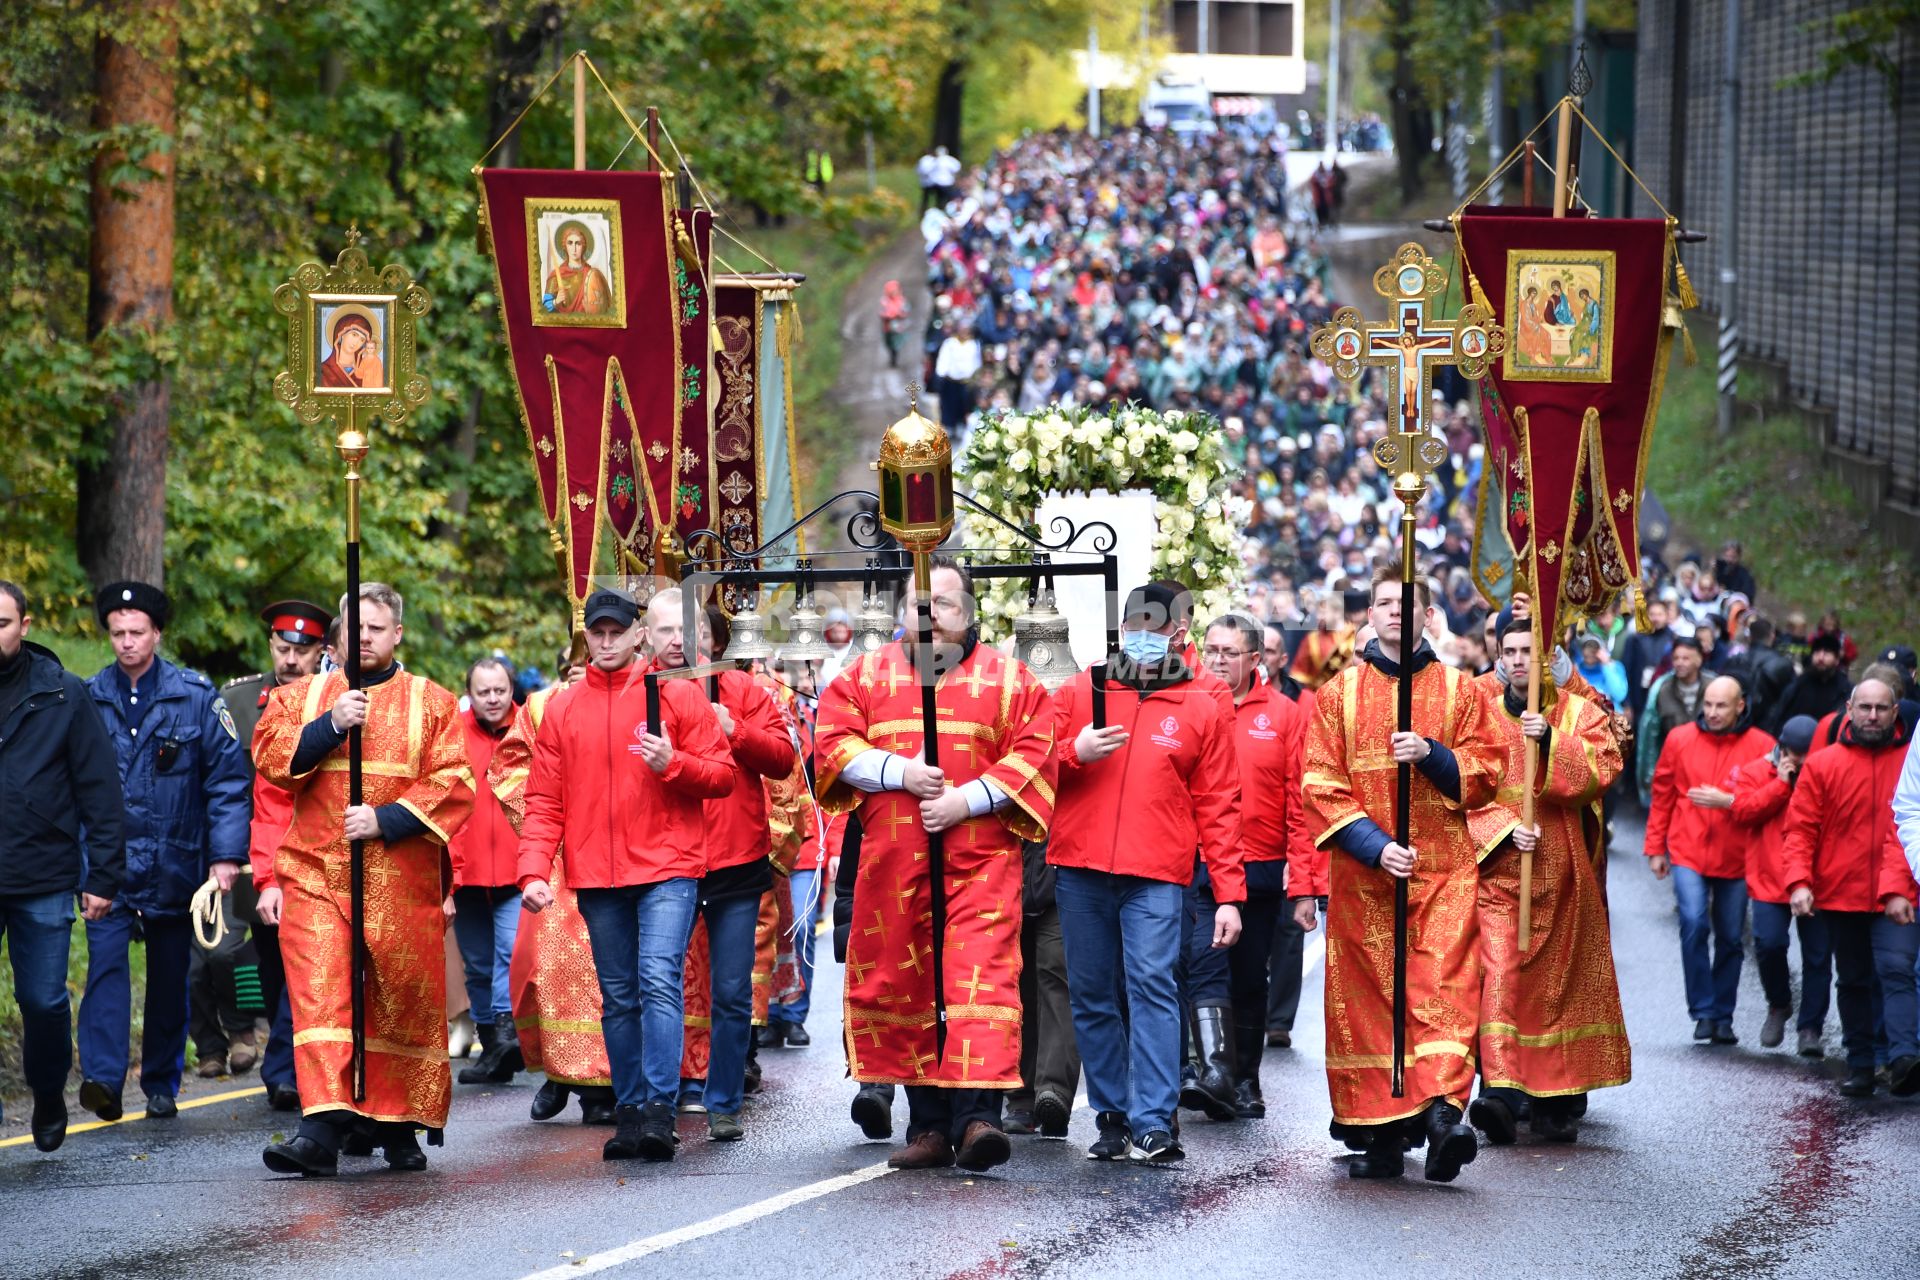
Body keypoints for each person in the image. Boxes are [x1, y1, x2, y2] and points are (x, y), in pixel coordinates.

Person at [815, 555, 1058, 1172]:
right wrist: (899, 772)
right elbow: (832, 742)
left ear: (969, 611)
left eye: (943, 605)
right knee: (909, 980)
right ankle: (925, 1127)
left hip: (981, 865)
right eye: (918, 606)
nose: (929, 618)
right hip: (895, 869)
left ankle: (978, 1119)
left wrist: (963, 801)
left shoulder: (1009, 680)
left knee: (978, 982)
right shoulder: (866, 675)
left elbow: (1035, 752)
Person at [255, 583, 474, 1176]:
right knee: (322, 990)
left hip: (398, 879)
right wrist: (329, 725)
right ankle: (320, 1130)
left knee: (394, 999)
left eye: (377, 629)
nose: (366, 639)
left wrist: (384, 820)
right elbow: (272, 760)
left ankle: (395, 1122)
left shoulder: (431, 702)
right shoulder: (302, 696)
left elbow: (455, 783)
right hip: (316, 874)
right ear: (339, 637)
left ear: (397, 633)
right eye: (357, 629)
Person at [1298, 563, 1505, 1182]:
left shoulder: (1462, 690)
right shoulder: (1340, 693)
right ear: (1370, 614)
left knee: (1443, 988)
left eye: (1406, 604)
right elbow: (1320, 783)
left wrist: (1435, 756)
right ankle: (1380, 1137)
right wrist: (1374, 844)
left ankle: (1444, 1117)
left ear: (1426, 616)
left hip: (1443, 872)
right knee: (1371, 1002)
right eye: (1385, 603)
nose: (1395, 612)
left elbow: (1489, 769)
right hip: (1367, 878)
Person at [515, 588, 734, 1161]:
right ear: (586, 636)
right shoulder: (563, 708)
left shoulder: (677, 695)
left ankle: (659, 1109)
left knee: (657, 979)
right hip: (596, 873)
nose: (607, 641)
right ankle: (630, 1108)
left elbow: (722, 775)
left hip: (667, 867)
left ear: (638, 635)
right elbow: (543, 800)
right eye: (598, 632)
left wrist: (674, 764)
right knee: (617, 995)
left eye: (618, 631)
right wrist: (533, 870)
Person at [1046, 582, 1241, 1164]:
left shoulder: (1202, 705)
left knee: (1153, 986)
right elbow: (1030, 763)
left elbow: (1220, 802)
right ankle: (1111, 1113)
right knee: (1091, 993)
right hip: (1081, 867)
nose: (1146, 639)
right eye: (1137, 626)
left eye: (1159, 631)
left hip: (1157, 871)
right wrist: (1074, 750)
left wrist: (1228, 895)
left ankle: (1152, 1120)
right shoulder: (1083, 690)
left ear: (1182, 636)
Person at [77, 582, 250, 1123]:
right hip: (108, 860)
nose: (126, 643)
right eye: (117, 633)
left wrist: (225, 856)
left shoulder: (195, 696)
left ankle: (159, 1083)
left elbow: (226, 781)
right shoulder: (88, 698)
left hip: (176, 859)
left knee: (170, 977)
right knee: (105, 969)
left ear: (156, 633)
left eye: (136, 632)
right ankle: (103, 1080)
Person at [1466, 619, 1630, 1145]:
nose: (1518, 661)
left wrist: (1553, 740)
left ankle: (1556, 1099)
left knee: (1555, 988)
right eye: (1509, 651)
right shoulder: (1480, 714)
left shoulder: (1579, 712)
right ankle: (1500, 1090)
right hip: (1496, 870)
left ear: (1543, 659)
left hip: (1560, 872)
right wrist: (1502, 829)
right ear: (1498, 657)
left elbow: (1603, 771)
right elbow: (1461, 782)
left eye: (1527, 652)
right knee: (1499, 973)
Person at [645, 588, 797, 1139]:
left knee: (732, 990)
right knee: (663, 983)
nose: (681, 641)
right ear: (650, 636)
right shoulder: (641, 693)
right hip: (664, 863)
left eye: (694, 632)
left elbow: (782, 760)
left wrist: (737, 731)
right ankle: (666, 1091)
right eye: (667, 630)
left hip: (735, 860)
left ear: (713, 639)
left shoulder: (744, 689)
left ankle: (724, 1098)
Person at [0, 581, 126, 1151]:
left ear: (24, 625)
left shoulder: (64, 694)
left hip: (42, 873)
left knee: (44, 999)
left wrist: (102, 875)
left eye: (2, 622)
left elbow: (99, 790)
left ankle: (48, 1091)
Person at [490, 654, 619, 1126]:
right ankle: (559, 1072)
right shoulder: (542, 707)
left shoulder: (625, 701)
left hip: (612, 856)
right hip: (559, 862)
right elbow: (509, 769)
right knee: (545, 968)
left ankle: (599, 1086)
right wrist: (553, 824)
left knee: (604, 973)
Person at [1781, 678, 1919, 1098]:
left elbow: (1905, 827)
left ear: (1895, 713)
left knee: (1897, 968)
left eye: (1881, 708)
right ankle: (1861, 1062)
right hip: (1840, 893)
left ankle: (1902, 1057)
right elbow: (1800, 829)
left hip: (1896, 890)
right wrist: (1799, 882)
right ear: (1849, 709)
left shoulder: (1908, 762)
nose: (1872, 716)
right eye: (1865, 708)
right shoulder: (1823, 765)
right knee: (1855, 978)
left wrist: (1897, 887)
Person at [1199, 613, 1313, 1119]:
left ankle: (1245, 1080)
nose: (1219, 660)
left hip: (1260, 869)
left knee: (1248, 978)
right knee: (1200, 971)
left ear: (1254, 659)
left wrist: (1304, 880)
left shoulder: (1285, 715)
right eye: (1212, 650)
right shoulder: (1193, 706)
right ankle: (1210, 1073)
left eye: (1230, 652)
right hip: (1196, 866)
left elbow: (1300, 803)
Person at [223, 599, 332, 1111]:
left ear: (321, 652)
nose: (291, 659)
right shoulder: (243, 701)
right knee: (267, 967)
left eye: (302, 650)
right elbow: (235, 787)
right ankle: (283, 1056)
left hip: (317, 856)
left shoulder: (334, 701)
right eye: (283, 648)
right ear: (271, 645)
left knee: (302, 969)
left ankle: (285, 1067)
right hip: (255, 852)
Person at [1644, 675, 1775, 1044]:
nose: (1713, 713)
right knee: (1694, 922)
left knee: (1732, 938)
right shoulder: (1681, 738)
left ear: (1740, 706)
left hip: (1737, 855)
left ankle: (1723, 1014)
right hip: (1688, 848)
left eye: (1722, 706)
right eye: (1708, 704)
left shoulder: (1763, 745)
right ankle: (1702, 1010)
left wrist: (1729, 802)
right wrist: (1655, 847)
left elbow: (1772, 798)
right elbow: (1664, 791)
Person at [1731, 715, 1831, 1057]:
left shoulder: (1826, 771)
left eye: (1808, 752)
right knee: (1769, 945)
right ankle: (1779, 1004)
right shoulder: (1756, 771)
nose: (1802, 760)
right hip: (1769, 877)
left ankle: (1810, 1029)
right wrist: (1780, 785)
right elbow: (1742, 812)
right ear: (1782, 747)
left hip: (1816, 879)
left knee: (1818, 957)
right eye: (1795, 752)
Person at [450, 656, 528, 1086]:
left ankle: (505, 1033)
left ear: (510, 689)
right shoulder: (453, 732)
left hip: (518, 867)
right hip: (468, 869)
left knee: (508, 954)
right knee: (477, 965)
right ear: (471, 694)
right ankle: (492, 1045)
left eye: (500, 690)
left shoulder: (529, 725)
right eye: (485, 692)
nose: (494, 699)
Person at [1636, 635, 1705, 805]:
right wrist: (1649, 775)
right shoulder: (1662, 688)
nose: (1680, 662)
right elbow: (1649, 737)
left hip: (1706, 768)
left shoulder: (1714, 687)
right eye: (1676, 658)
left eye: (1686, 658)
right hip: (1673, 768)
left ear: (1699, 659)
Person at [1767, 632, 1853, 734]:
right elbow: (1780, 716)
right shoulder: (1798, 685)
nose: (1820, 658)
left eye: (1827, 653)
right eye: (1817, 652)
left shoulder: (1845, 689)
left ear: (1837, 660)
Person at [542, 222, 611, 315]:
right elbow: (544, 308)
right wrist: (556, 301)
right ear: (565, 246)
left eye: (578, 243)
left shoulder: (592, 275)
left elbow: (603, 305)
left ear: (583, 247)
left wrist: (592, 308)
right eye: (570, 243)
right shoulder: (555, 276)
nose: (574, 248)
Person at [880, 280, 911, 369]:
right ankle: (892, 353)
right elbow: (882, 313)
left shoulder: (902, 301)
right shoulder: (885, 301)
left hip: (898, 327)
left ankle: (894, 357)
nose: (894, 293)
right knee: (889, 343)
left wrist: (900, 315)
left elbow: (906, 311)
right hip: (888, 327)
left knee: (896, 343)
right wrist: (888, 316)